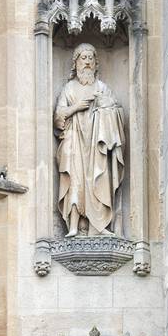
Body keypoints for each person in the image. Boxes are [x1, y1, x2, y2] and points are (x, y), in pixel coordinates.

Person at [54, 43, 125, 236]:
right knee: (75, 180)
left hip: (96, 144)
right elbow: (58, 117)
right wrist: (76, 107)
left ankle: (98, 226)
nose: (87, 62)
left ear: (95, 63)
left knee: (98, 179)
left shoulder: (102, 88)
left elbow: (117, 112)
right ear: (75, 63)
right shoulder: (69, 89)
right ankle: (74, 226)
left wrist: (105, 107)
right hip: (75, 141)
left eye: (90, 58)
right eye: (83, 58)